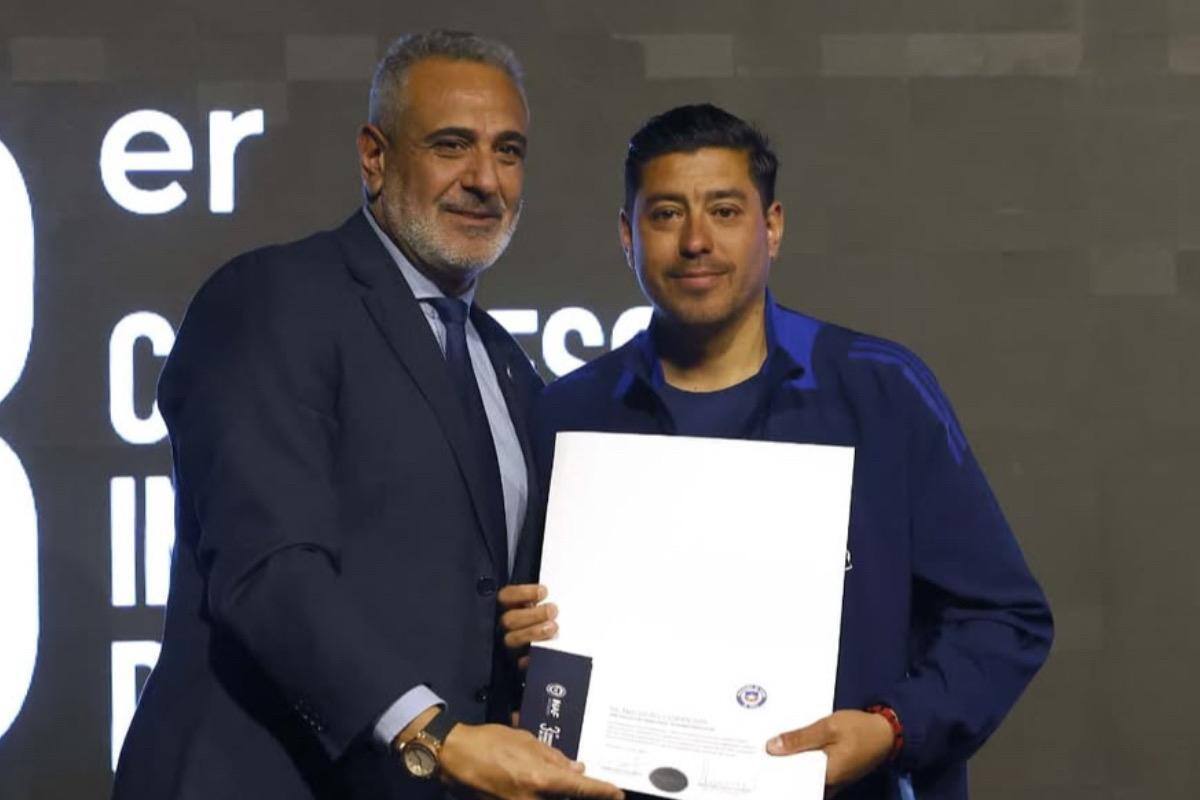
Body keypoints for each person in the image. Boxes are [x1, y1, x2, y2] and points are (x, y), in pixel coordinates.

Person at [112, 30, 623, 800]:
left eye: (509, 151)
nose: (485, 178)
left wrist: (529, 636)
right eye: (452, 145)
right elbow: (267, 568)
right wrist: (436, 736)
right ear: (375, 156)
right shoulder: (273, 298)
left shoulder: (509, 366)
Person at [499, 104, 1053, 800]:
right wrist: (528, 640)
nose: (696, 240)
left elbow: (1004, 620)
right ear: (627, 236)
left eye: (725, 211)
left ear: (773, 225)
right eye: (666, 214)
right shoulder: (569, 415)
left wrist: (890, 729)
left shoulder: (881, 393)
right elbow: (532, 660)